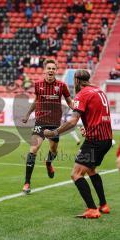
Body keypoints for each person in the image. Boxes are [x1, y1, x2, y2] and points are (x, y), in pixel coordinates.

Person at [44, 70, 112, 218]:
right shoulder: (98, 90)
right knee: (91, 170)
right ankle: (104, 205)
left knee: (76, 174)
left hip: (95, 140)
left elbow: (73, 121)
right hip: (106, 138)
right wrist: (89, 128)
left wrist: (54, 132)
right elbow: (99, 115)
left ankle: (92, 209)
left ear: (76, 80)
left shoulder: (83, 94)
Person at [22, 59, 73, 194]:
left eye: (53, 69)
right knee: (33, 149)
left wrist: (78, 111)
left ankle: (48, 163)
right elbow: (36, 101)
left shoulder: (62, 86)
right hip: (40, 121)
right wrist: (27, 115)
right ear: (44, 70)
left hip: (55, 123)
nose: (51, 71)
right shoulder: (38, 85)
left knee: (54, 151)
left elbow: (69, 101)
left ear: (56, 70)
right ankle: (27, 182)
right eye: (48, 68)